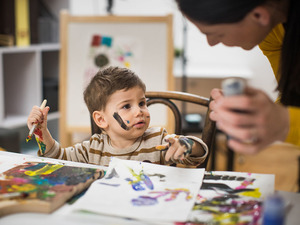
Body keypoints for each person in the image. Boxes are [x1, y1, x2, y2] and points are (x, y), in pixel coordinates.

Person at [175, 0, 300, 154]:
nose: (211, 43)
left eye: (217, 34)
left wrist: (282, 123)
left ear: (258, 15)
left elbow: (286, 118)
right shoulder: (272, 32)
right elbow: (293, 95)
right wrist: (256, 115)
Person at [27, 66, 208, 167]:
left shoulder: (158, 140)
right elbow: (58, 160)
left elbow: (198, 156)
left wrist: (187, 145)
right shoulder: (93, 148)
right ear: (101, 120)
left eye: (142, 103)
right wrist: (41, 133)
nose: (140, 111)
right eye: (127, 106)